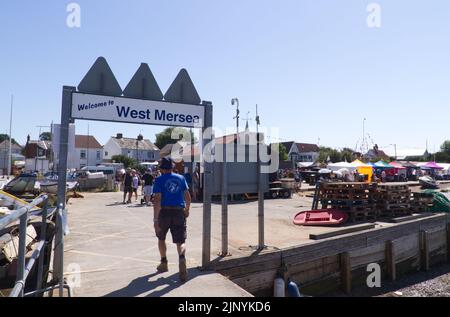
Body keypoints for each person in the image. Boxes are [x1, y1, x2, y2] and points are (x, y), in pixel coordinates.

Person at [153, 157, 191, 282]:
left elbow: (157, 199)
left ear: (162, 169)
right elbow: (188, 197)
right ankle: (181, 257)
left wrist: (156, 219)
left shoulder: (158, 180)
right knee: (181, 241)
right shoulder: (181, 178)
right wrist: (186, 210)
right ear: (172, 167)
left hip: (164, 212)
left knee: (161, 238)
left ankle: (164, 263)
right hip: (178, 212)